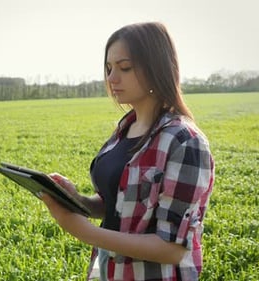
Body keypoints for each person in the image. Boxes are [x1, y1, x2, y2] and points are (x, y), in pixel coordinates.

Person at [41, 22, 214, 281]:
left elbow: (173, 249)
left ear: (157, 68)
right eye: (108, 69)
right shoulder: (126, 128)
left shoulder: (184, 142)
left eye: (125, 68)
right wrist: (80, 202)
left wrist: (82, 231)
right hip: (108, 270)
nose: (111, 79)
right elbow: (120, 204)